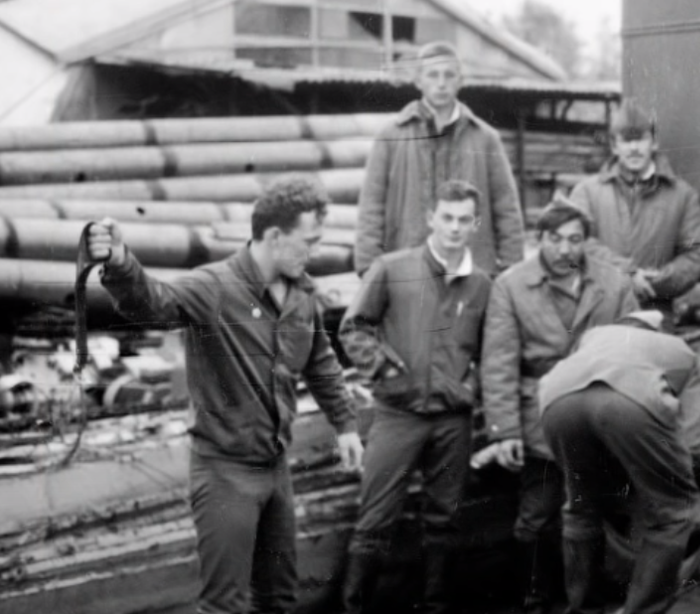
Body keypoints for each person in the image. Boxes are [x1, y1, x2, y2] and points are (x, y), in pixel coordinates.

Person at [89, 175, 364, 614]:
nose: (313, 252)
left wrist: (346, 424)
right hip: (224, 474)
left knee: (278, 598)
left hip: (275, 469)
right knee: (225, 605)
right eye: (308, 242)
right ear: (275, 236)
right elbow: (154, 302)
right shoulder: (213, 287)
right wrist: (121, 263)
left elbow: (320, 361)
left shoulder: (301, 295)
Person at [337, 180, 492, 614]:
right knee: (376, 517)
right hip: (398, 414)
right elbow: (354, 327)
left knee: (446, 517)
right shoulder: (392, 268)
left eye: (464, 219)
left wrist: (472, 387)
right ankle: (353, 607)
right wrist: (384, 370)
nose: (454, 228)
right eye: (447, 217)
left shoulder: (481, 285)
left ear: (476, 224)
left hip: (453, 419)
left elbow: (492, 350)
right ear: (430, 218)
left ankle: (434, 604)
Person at [481, 202, 637, 614]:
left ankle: (592, 602)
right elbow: (498, 362)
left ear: (586, 242)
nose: (565, 249)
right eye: (555, 239)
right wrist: (504, 430)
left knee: (598, 510)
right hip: (540, 415)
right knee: (537, 515)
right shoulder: (511, 286)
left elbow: (634, 350)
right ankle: (536, 602)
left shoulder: (613, 283)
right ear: (539, 239)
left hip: (598, 413)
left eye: (574, 239)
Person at [539, 311, 700, 614]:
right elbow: (694, 441)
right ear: (660, 330)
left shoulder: (592, 337)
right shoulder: (682, 351)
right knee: (673, 512)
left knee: (582, 508)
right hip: (627, 402)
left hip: (555, 399)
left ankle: (583, 609)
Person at [355, 41, 524, 276]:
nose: (441, 83)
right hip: (407, 269)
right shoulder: (391, 136)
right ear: (418, 81)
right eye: (433, 75)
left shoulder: (485, 138)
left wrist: (511, 268)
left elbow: (506, 208)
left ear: (460, 81)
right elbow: (371, 207)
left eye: (449, 75)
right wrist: (368, 268)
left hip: (470, 271)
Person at [568, 101, 700, 320]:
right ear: (614, 146)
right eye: (626, 140)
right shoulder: (586, 192)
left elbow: (696, 254)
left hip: (654, 314)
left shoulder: (682, 195)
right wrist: (628, 274)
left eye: (641, 139)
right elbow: (578, 243)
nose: (634, 148)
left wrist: (657, 281)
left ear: (654, 143)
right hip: (597, 314)